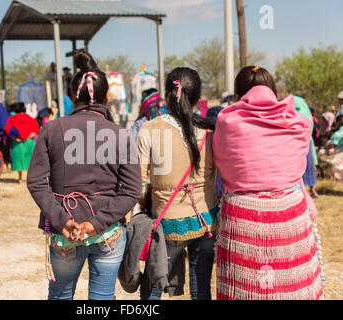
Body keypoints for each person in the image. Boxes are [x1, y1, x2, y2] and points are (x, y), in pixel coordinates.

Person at [27, 51, 141, 300]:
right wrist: (95, 224)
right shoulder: (121, 135)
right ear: (107, 98)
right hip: (108, 232)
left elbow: (36, 182)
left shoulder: (50, 130)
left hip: (64, 233)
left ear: (71, 97)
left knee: (60, 295)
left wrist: (62, 219)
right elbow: (132, 191)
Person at [213, 66, 324, 300]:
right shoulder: (298, 123)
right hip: (289, 216)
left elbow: (222, 163)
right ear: (273, 91)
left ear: (238, 94)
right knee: (290, 290)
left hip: (243, 218)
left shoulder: (226, 122)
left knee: (245, 290)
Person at [137, 68, 218, 300]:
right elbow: (215, 177)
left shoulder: (149, 129)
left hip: (166, 222)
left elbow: (139, 184)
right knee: (202, 288)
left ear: (167, 94)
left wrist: (146, 202)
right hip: (206, 220)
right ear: (198, 96)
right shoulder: (210, 132)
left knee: (152, 288)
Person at [5, 102, 40, 182]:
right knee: (30, 160)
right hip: (29, 141)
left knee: (18, 160)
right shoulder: (30, 117)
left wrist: (14, 138)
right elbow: (36, 130)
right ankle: (31, 178)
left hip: (17, 142)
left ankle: (20, 177)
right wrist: (29, 136)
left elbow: (7, 129)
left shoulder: (12, 118)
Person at [294, 96, 319, 198]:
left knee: (306, 168)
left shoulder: (299, 113)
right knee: (305, 169)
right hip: (301, 145)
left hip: (302, 145)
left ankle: (310, 191)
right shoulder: (305, 113)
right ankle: (309, 191)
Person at [0, 102, 12, 171]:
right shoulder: (7, 115)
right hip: (7, 137)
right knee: (7, 150)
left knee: (0, 152)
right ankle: (8, 165)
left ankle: (1, 166)